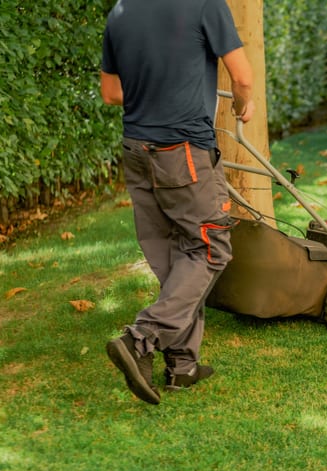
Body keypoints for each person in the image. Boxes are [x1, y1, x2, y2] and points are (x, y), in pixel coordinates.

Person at [100, 0, 255, 404]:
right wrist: (242, 105)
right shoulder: (204, 4)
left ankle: (182, 365)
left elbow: (111, 93)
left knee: (174, 255)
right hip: (182, 151)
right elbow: (243, 77)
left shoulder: (120, 13)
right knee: (209, 247)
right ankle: (142, 338)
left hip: (136, 148)